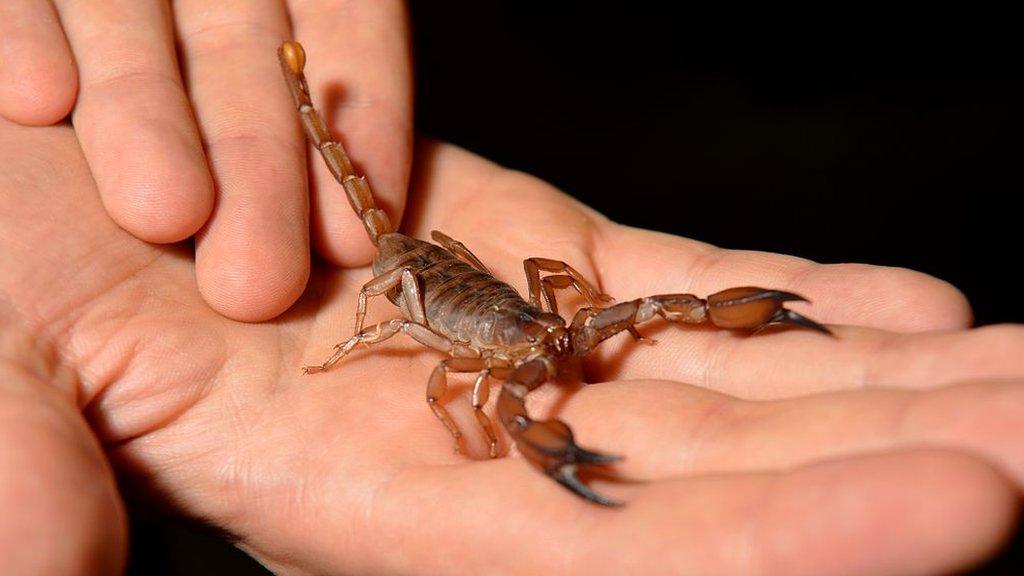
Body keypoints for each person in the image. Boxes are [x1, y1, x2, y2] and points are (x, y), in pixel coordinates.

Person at [0, 2, 1021, 575]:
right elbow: (455, 391)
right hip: (422, 277)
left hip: (467, 276)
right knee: (431, 348)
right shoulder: (490, 367)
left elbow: (581, 293)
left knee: (641, 313)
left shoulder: (547, 323)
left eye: (556, 331)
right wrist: (459, 418)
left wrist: (603, 304)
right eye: (547, 345)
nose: (553, 353)